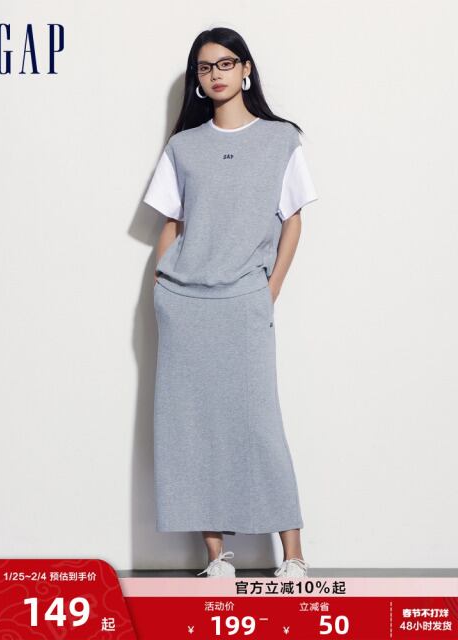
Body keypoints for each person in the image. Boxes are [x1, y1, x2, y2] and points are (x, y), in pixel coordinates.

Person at [143, 27, 318, 578]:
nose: (215, 74)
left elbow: (293, 221)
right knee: (192, 428)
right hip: (184, 305)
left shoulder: (281, 140)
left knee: (259, 424)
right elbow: (171, 223)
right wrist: (162, 288)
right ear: (198, 80)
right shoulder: (183, 147)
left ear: (245, 70)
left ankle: (294, 556)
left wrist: (271, 288)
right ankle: (217, 557)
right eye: (204, 67)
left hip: (244, 300)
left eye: (225, 63)